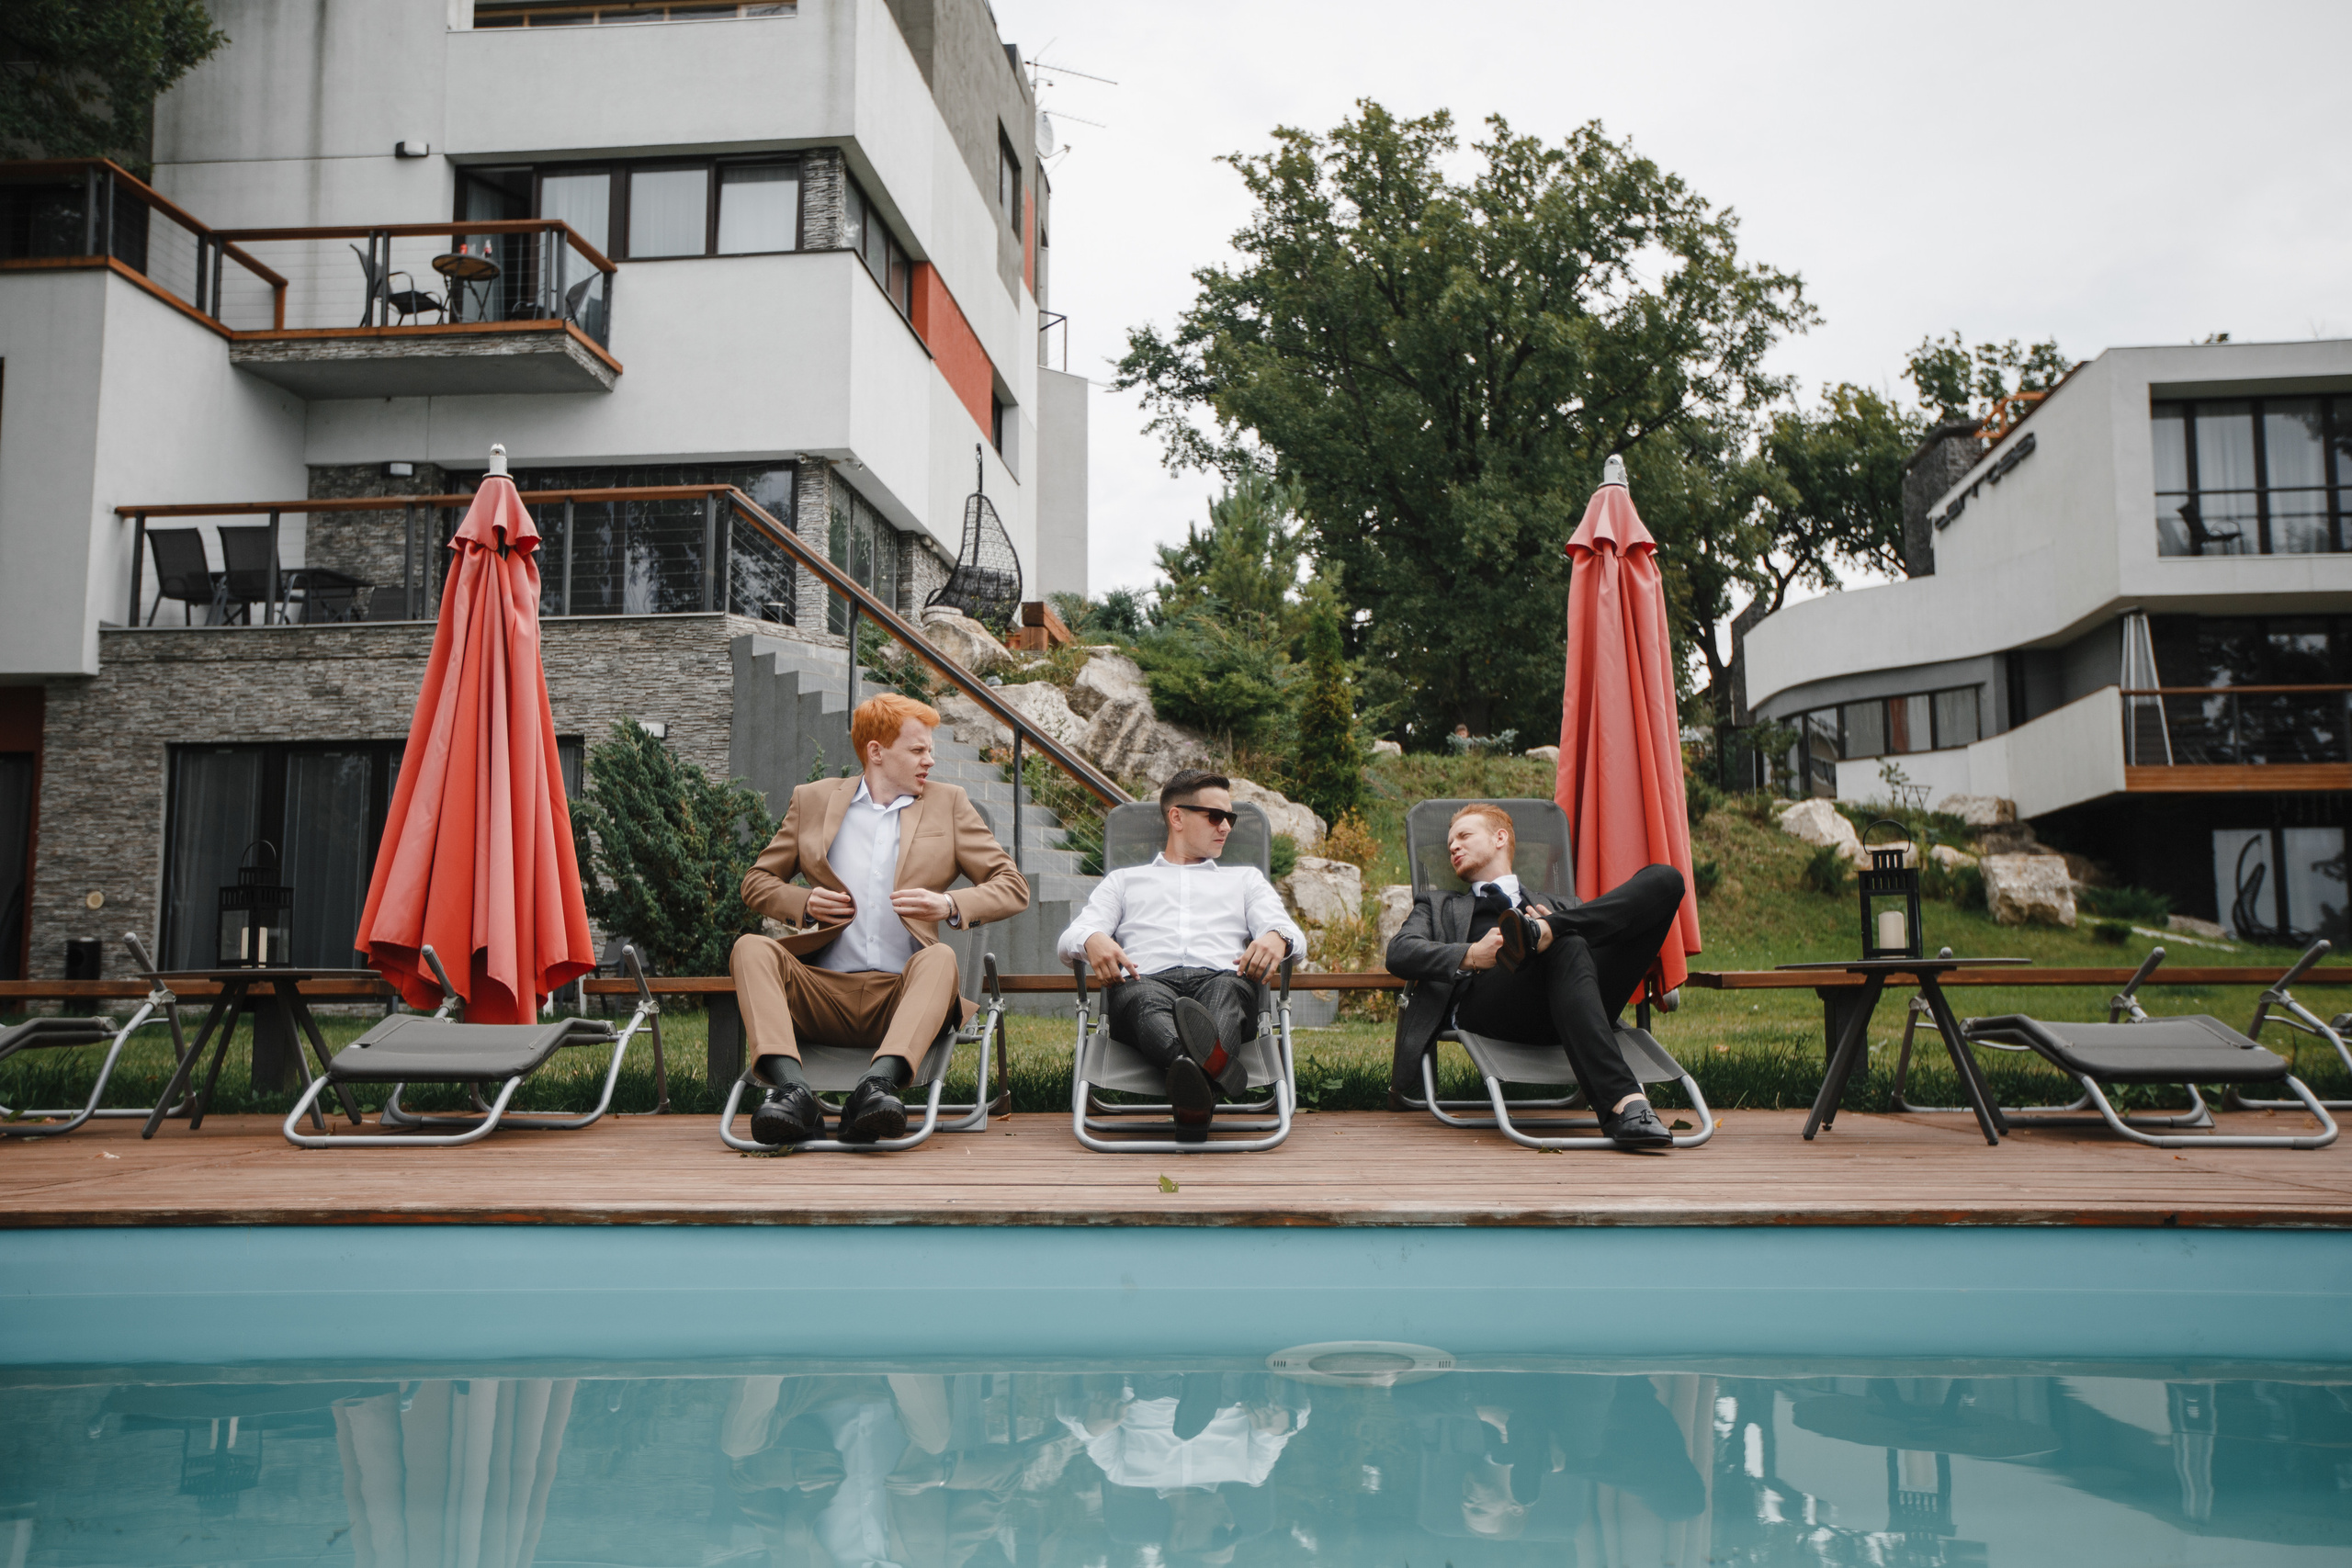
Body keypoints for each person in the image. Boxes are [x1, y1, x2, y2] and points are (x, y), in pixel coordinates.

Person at [731, 693, 1029, 1146]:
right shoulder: (812, 800)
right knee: (750, 948)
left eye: (930, 749)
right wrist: (805, 901)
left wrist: (948, 905)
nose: (929, 759)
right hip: (821, 992)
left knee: (941, 958)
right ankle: (793, 1092)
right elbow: (756, 881)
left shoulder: (949, 804)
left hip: (905, 996)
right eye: (917, 750)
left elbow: (1012, 886)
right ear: (876, 751)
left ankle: (877, 1089)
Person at [1385, 802, 1685, 1149]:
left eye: (1464, 836)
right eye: (1450, 843)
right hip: (1491, 1004)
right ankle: (1626, 1104)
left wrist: (1556, 927)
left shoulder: (1563, 903)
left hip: (1575, 1003)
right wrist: (1471, 955)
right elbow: (1400, 951)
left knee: (1666, 879)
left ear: (1500, 838)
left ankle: (1545, 930)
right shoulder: (1437, 904)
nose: (1453, 846)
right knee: (1567, 943)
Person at [1056, 770, 1306, 1141]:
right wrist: (1093, 938)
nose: (1226, 827)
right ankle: (1214, 1070)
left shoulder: (1245, 881)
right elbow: (1069, 938)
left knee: (1228, 991)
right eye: (1215, 816)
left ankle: (1192, 1081)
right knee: (1140, 998)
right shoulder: (1124, 881)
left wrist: (1277, 937)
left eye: (1231, 818)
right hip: (1146, 984)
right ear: (1177, 817)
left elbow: (1294, 936)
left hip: (1222, 981)